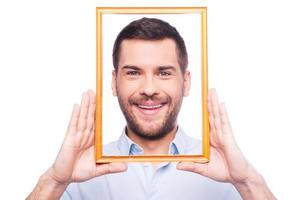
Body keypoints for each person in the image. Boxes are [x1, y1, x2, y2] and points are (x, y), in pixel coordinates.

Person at [27, 18, 275, 200]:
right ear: (114, 83)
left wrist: (246, 182)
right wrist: (55, 181)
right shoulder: (79, 171)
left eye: (164, 73)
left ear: (186, 82)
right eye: (133, 73)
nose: (148, 88)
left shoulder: (225, 171)